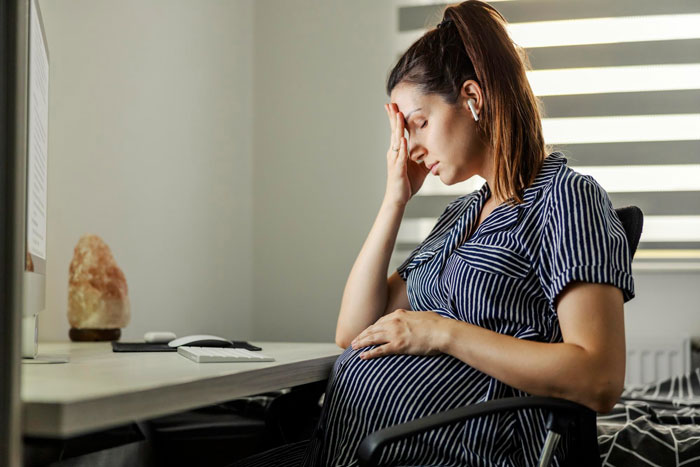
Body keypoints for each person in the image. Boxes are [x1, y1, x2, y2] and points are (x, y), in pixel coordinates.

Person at [229, 0, 635, 465]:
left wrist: (442, 333)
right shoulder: (459, 217)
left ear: (472, 99)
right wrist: (394, 200)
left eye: (419, 123)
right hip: (342, 451)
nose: (413, 147)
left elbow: (599, 378)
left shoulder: (566, 198)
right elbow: (354, 331)